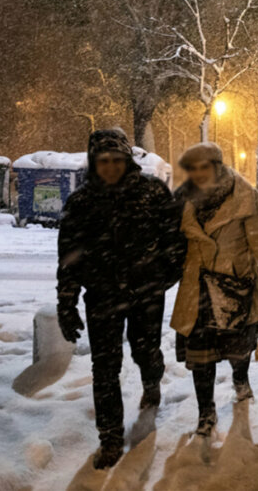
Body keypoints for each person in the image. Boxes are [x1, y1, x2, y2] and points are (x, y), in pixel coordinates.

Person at [57, 128, 185, 469]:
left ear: (127, 160)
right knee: (105, 368)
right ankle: (110, 437)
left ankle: (151, 382)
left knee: (146, 351)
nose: (110, 167)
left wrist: (161, 279)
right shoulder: (82, 202)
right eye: (103, 161)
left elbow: (175, 242)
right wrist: (66, 303)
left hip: (146, 295)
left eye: (116, 160)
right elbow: (68, 257)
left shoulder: (153, 193)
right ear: (94, 162)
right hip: (102, 297)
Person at [171, 142, 258, 438]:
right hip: (197, 289)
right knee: (201, 356)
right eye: (193, 168)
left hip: (236, 286)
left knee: (239, 349)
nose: (199, 174)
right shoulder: (182, 198)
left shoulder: (244, 195)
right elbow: (168, 244)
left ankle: (240, 378)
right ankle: (206, 412)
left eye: (204, 167)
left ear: (218, 166)